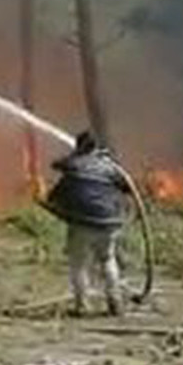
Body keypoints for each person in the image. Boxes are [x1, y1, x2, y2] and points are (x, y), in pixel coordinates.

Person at [42, 131, 133, 316]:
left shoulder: (74, 166)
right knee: (108, 259)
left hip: (82, 223)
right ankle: (115, 301)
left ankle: (82, 305)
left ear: (78, 147)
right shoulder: (109, 167)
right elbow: (127, 187)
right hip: (109, 222)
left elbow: (57, 171)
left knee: (79, 264)